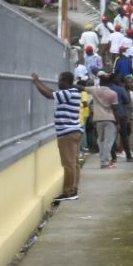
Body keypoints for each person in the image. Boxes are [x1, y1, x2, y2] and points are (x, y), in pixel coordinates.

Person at [31, 72, 84, 202]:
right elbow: (52, 91)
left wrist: (36, 82)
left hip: (67, 133)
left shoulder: (68, 93)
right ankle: (74, 189)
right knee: (75, 163)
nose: (58, 83)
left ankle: (68, 192)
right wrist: (40, 81)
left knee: (68, 164)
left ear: (66, 81)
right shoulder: (72, 92)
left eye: (60, 81)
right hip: (75, 131)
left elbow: (49, 95)